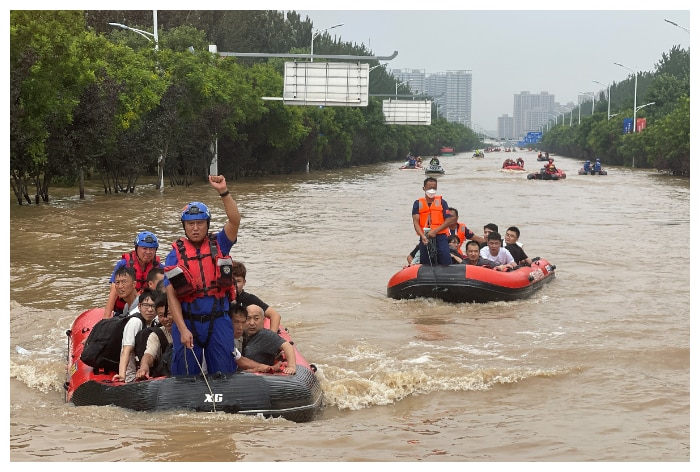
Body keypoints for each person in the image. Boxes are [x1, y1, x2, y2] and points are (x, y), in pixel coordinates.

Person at [163, 175, 240, 376]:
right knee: (185, 375)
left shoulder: (220, 243)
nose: (195, 228)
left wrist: (223, 191)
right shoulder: (174, 255)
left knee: (224, 373)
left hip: (219, 319)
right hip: (188, 322)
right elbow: (171, 295)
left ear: (207, 224)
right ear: (184, 226)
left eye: (199, 223)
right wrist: (182, 328)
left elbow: (235, 220)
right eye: (190, 224)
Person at [103, 231, 163, 319]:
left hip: (149, 311)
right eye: (144, 248)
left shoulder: (160, 269)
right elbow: (113, 293)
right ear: (137, 248)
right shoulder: (123, 265)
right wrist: (105, 319)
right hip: (123, 311)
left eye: (152, 249)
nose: (148, 252)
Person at [112, 289, 160, 382]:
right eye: (146, 305)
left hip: (147, 373)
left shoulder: (156, 321)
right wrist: (122, 375)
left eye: (153, 306)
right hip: (132, 377)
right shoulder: (135, 322)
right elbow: (126, 350)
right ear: (139, 306)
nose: (150, 309)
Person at [412, 177, 456, 266]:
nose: (432, 190)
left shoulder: (442, 202)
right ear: (424, 188)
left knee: (445, 258)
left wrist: (435, 231)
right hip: (425, 235)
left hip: (440, 235)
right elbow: (416, 222)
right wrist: (422, 236)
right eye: (429, 188)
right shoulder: (418, 203)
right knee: (425, 260)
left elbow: (449, 220)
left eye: (434, 188)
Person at [242, 304, 296, 374]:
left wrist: (291, 366)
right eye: (248, 318)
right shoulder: (240, 334)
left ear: (263, 320)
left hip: (259, 376)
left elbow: (287, 346)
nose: (252, 323)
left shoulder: (266, 335)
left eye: (256, 318)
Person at [230, 261, 282, 334]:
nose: (234, 285)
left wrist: (272, 337)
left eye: (238, 281)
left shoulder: (249, 299)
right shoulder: (219, 299)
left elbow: (275, 315)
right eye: (232, 282)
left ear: (244, 282)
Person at [134, 292, 173, 380]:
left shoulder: (188, 330)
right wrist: (144, 367)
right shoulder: (156, 335)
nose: (166, 319)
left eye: (169, 313)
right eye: (161, 316)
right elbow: (149, 355)